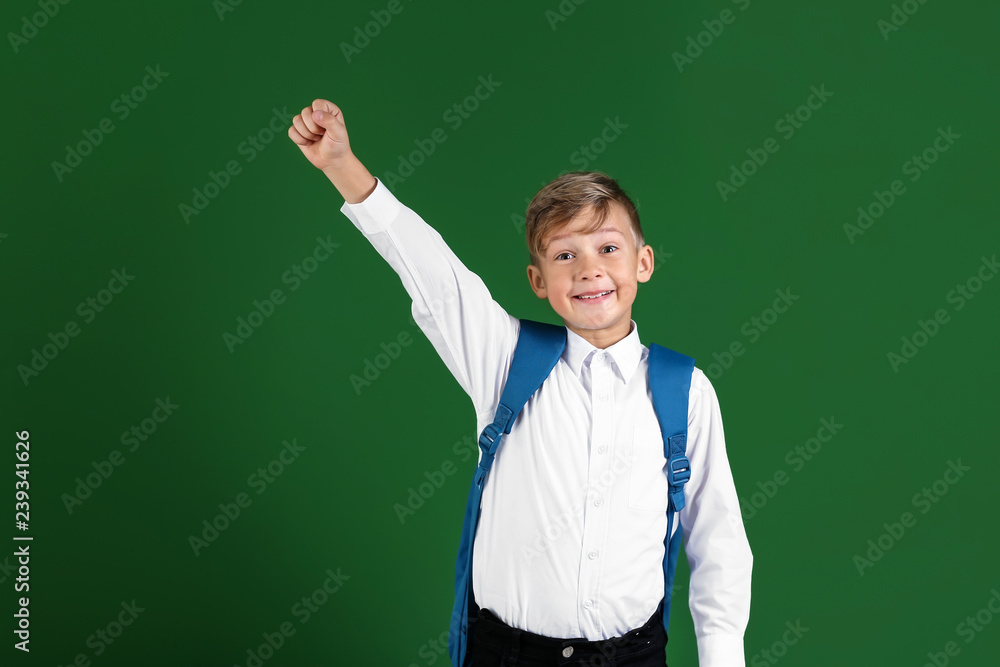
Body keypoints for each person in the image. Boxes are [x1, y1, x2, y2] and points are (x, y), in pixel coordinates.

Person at [288, 98, 753, 666]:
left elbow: (718, 541)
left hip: (633, 657)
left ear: (644, 263)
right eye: (565, 255)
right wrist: (342, 165)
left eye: (608, 247)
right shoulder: (505, 359)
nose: (589, 269)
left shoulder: (686, 391)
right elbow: (435, 275)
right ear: (538, 280)